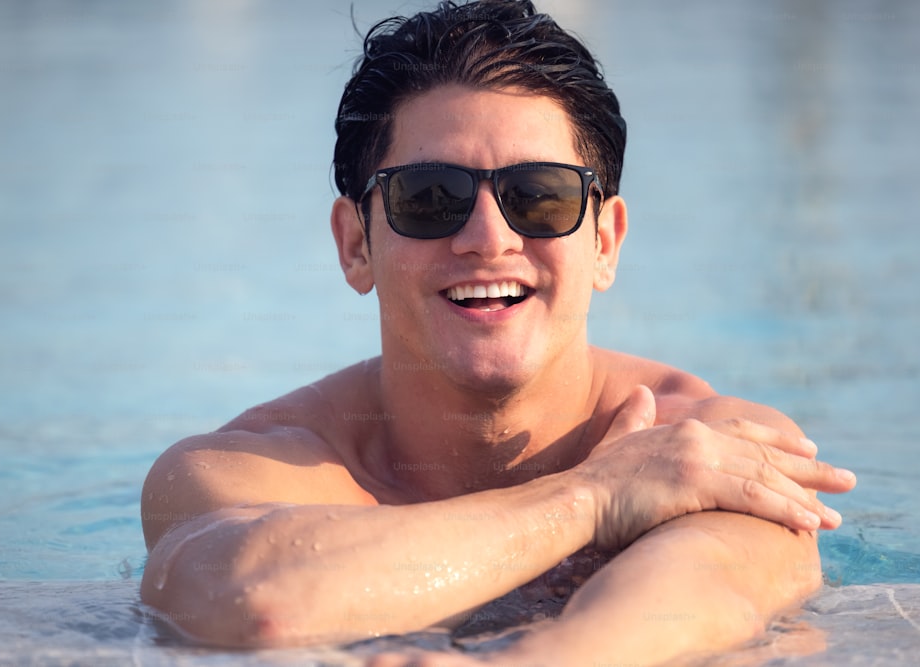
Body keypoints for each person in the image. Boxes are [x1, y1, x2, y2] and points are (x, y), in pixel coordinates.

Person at [139, 1, 856, 664]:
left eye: (540, 196)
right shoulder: (243, 469)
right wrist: (591, 498)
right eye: (429, 197)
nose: (488, 237)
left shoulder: (707, 442)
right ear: (356, 243)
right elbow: (258, 602)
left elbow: (711, 591)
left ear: (605, 242)